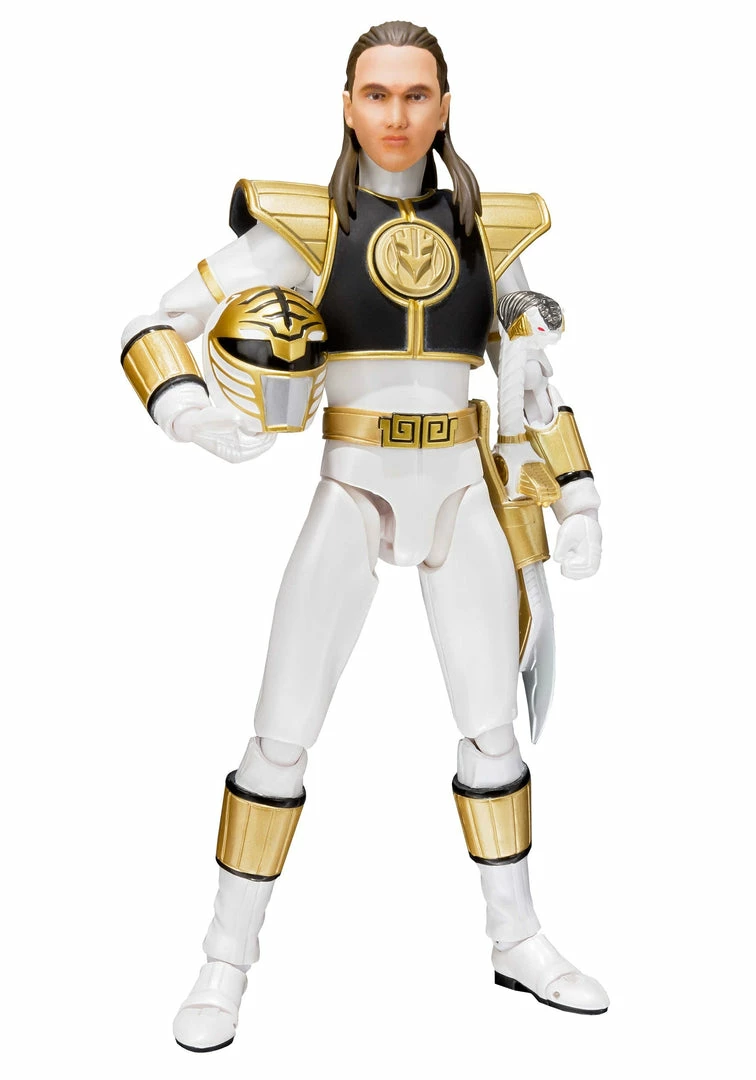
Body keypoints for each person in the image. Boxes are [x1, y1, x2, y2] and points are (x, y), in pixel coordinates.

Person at [121, 20, 607, 1053]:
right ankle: (224, 957)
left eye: (415, 94)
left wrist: (578, 495)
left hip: (464, 490)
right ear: (347, 103)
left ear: (444, 104)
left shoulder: (491, 232)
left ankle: (517, 937)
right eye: (377, 94)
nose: (396, 114)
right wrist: (190, 413)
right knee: (280, 734)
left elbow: (533, 382)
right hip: (352, 483)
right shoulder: (302, 227)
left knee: (492, 731)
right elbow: (154, 323)